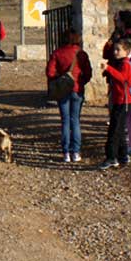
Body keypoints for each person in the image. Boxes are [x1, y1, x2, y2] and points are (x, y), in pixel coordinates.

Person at [45, 29, 92, 163]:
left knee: (65, 121)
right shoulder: (81, 54)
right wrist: (80, 81)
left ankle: (66, 152)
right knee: (75, 120)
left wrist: (60, 79)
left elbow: (50, 72)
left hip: (62, 90)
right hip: (77, 89)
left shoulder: (57, 53)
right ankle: (76, 152)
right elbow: (88, 73)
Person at [99, 38, 131, 170]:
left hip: (123, 101)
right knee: (118, 130)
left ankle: (111, 157)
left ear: (127, 51)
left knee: (114, 131)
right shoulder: (120, 63)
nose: (115, 52)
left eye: (118, 49)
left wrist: (109, 69)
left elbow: (123, 79)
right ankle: (122, 156)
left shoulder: (125, 64)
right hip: (119, 100)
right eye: (114, 49)